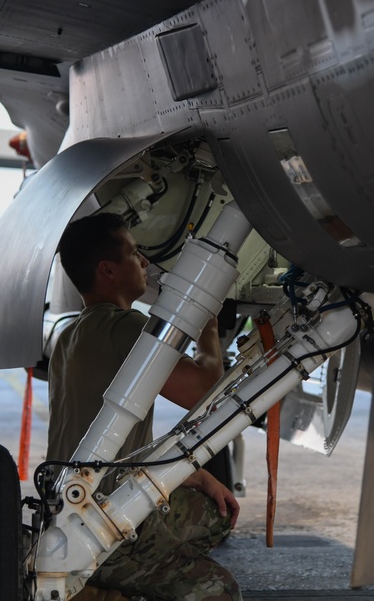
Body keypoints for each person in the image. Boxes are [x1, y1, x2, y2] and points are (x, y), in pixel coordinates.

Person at [47, 212, 241, 601]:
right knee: (220, 591)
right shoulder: (126, 327)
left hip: (67, 507)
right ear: (108, 270)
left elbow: (115, 441)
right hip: (109, 519)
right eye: (135, 254)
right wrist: (208, 330)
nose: (145, 263)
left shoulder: (68, 334)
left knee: (213, 510)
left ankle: (106, 587)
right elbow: (200, 390)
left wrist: (196, 476)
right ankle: (112, 574)